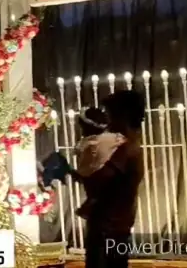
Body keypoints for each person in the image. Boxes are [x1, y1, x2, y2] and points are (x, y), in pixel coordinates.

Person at [80, 90, 145, 268]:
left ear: (122, 116)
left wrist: (76, 171)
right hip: (119, 221)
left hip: (108, 224)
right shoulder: (131, 143)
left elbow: (100, 179)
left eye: (110, 114)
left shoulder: (125, 147)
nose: (107, 121)